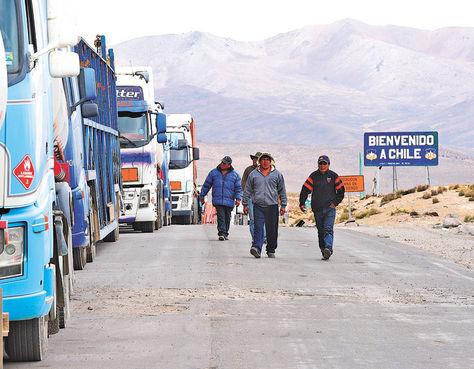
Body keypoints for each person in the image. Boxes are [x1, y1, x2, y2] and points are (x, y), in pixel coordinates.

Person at [299, 155, 345, 260]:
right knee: (321, 231)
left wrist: (335, 203)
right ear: (318, 164)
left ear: (328, 164)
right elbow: (305, 190)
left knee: (328, 229)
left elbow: (341, 191)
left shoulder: (333, 176)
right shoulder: (313, 176)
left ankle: (328, 248)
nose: (322, 165)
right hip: (317, 208)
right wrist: (302, 203)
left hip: (330, 208)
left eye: (325, 163)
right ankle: (323, 250)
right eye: (320, 163)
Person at [243, 153, 287, 258]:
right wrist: (245, 203)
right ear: (260, 161)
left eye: (267, 159)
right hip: (258, 205)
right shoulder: (253, 174)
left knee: (272, 229)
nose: (265, 161)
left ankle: (271, 249)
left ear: (271, 161)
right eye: (263, 159)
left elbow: (282, 191)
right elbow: (247, 189)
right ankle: (257, 248)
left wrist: (283, 205)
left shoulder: (277, 174)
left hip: (272, 205)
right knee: (258, 227)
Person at [199, 156, 242, 241]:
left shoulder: (235, 175)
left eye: (224, 163)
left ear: (229, 165)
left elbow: (238, 188)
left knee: (227, 217)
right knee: (221, 216)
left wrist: (238, 198)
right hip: (218, 200)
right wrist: (202, 195)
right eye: (222, 162)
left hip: (229, 200)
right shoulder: (213, 173)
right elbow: (207, 185)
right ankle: (221, 233)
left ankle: (225, 233)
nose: (222, 164)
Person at [241, 152, 265, 243]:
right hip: (251, 198)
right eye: (254, 159)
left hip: (263, 198)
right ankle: (255, 238)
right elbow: (243, 183)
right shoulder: (248, 170)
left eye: (257, 159)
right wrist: (246, 197)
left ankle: (264, 237)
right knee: (253, 220)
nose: (255, 160)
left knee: (263, 219)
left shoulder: (266, 170)